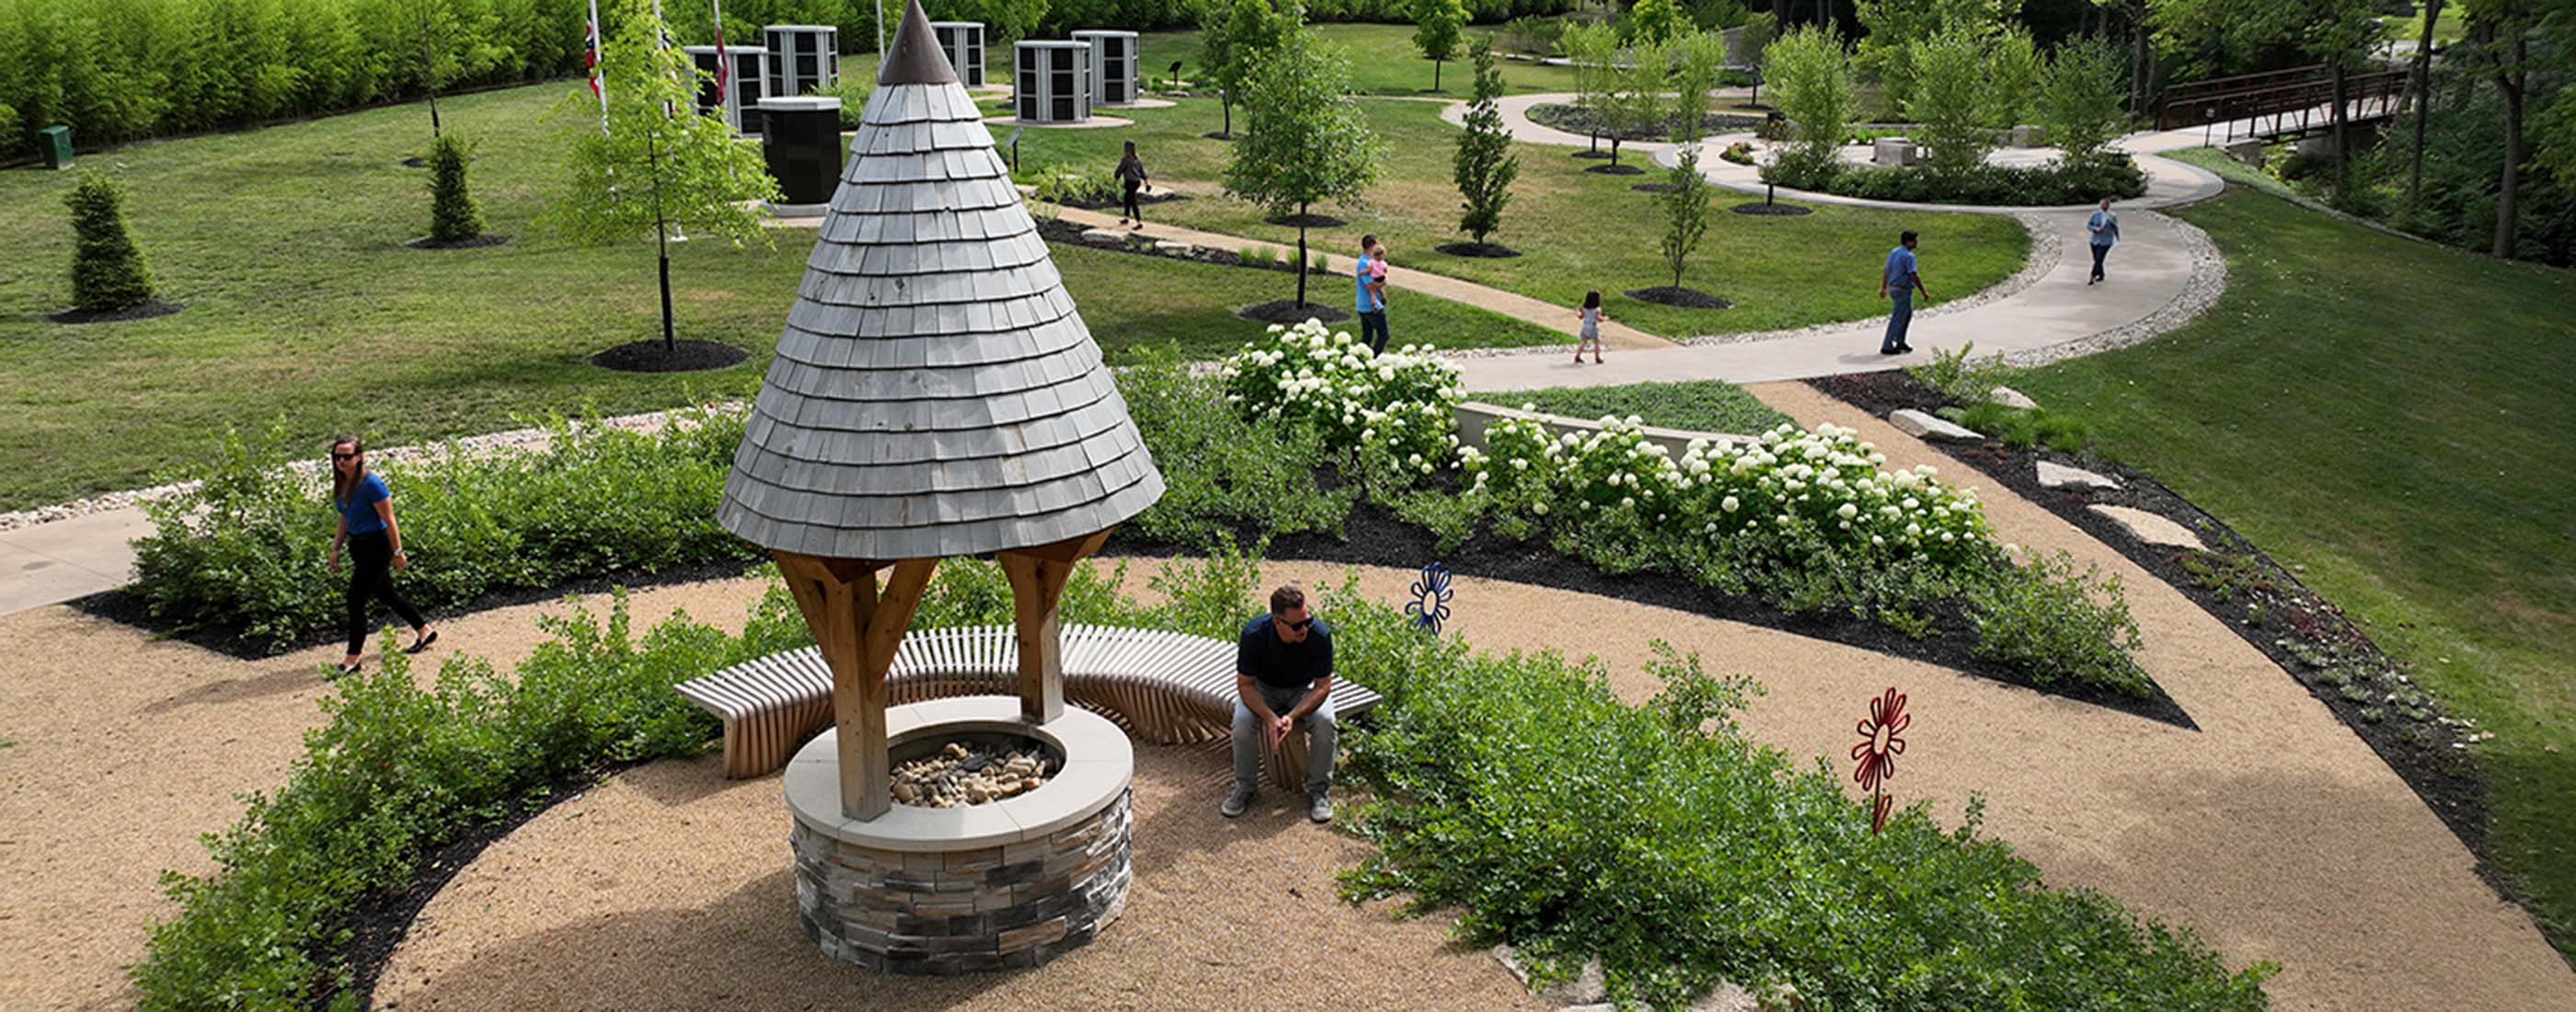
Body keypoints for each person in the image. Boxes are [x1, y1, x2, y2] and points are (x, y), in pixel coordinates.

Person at [1223, 585, 1338, 823]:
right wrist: (1269, 717)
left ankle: (1319, 791)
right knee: (1242, 723)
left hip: (1303, 691)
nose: (1304, 629)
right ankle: (1246, 787)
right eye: (1296, 626)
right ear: (1277, 622)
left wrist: (1292, 716)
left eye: (1307, 620)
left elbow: (1323, 686)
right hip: (1263, 689)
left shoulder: (1319, 635)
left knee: (1326, 723)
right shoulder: (1254, 634)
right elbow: (1245, 685)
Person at [327, 437, 435, 676]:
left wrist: (398, 552)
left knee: (355, 601)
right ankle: (424, 630)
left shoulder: (371, 484)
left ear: (359, 457)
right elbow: (344, 517)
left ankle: (352, 659)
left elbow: (389, 519)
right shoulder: (341, 484)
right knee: (386, 593)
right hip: (358, 546)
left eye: (347, 456)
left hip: (377, 546)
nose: (341, 461)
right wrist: (336, 548)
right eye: (337, 456)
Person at [1879, 230, 1929, 355]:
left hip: (1893, 288)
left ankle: (1900, 341)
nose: (1917, 242)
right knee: (1898, 317)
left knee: (1906, 315)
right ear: (1908, 242)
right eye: (1914, 240)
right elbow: (1913, 274)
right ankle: (1887, 345)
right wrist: (1923, 291)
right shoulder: (1909, 256)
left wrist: (1884, 287)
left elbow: (1886, 270)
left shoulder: (1894, 252)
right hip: (1903, 290)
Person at [1355, 235, 1390, 355]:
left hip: (1363, 305)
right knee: (1384, 335)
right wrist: (1384, 282)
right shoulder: (1364, 263)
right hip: (1371, 306)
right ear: (1371, 246)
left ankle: (1359, 359)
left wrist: (1382, 294)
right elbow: (1370, 285)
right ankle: (1374, 358)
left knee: (1367, 337)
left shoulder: (1368, 262)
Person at [1114, 141, 1149, 229]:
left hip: (1130, 182)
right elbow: (1142, 171)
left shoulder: (1126, 159)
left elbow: (1120, 169)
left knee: (1133, 201)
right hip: (1136, 182)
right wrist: (1146, 182)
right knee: (1127, 198)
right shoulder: (1137, 158)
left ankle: (1139, 222)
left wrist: (1115, 180)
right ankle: (1126, 218)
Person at [2087, 197, 2121, 284]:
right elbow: (2089, 225)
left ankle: (2092, 276)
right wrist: (2095, 228)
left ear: (2108, 205)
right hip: (2094, 240)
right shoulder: (2095, 214)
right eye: (2102, 204)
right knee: (2097, 259)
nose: (2103, 206)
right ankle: (2101, 274)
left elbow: (2115, 228)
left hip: (2106, 241)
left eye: (2105, 204)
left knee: (2099, 259)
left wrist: (2117, 238)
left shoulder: (2112, 216)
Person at [1574, 290, 1607, 364]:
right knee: (1596, 342)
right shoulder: (1597, 309)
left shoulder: (1584, 308)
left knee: (1583, 341)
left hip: (1585, 326)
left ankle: (1577, 356)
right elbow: (1599, 319)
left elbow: (1580, 317)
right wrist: (1605, 318)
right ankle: (1597, 358)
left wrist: (1577, 312)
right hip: (1593, 327)